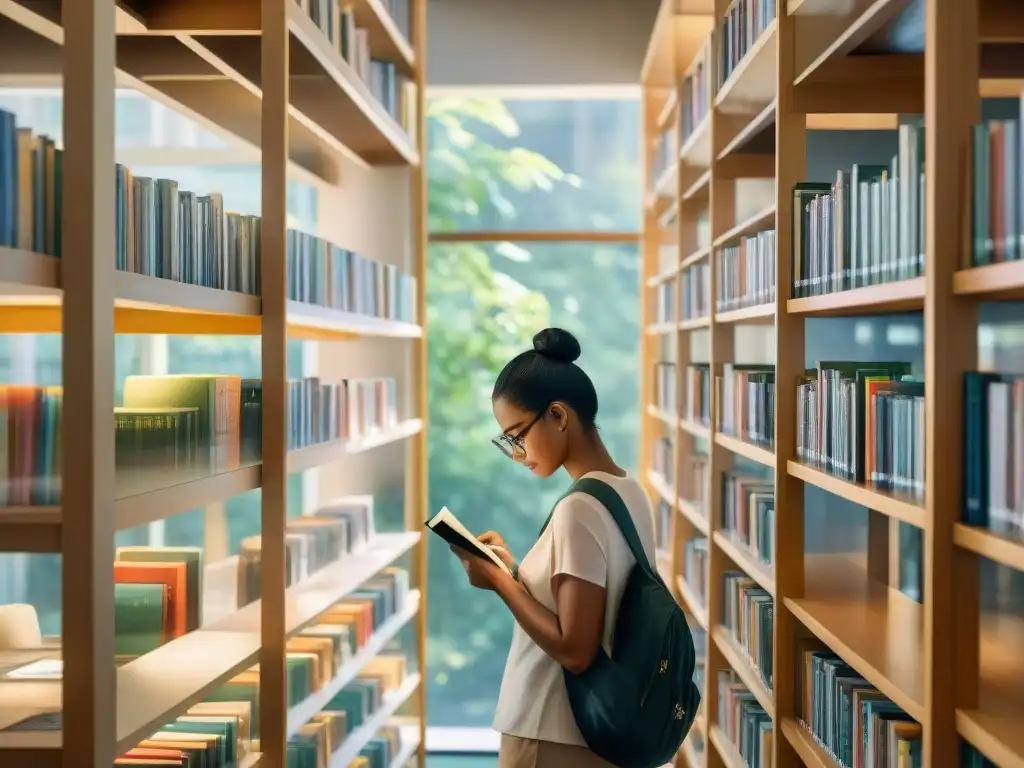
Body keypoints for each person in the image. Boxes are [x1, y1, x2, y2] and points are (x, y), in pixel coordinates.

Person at [451, 327, 659, 768]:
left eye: (517, 434)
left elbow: (575, 648)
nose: (516, 453)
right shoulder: (628, 491)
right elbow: (590, 607)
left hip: (550, 732)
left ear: (559, 416)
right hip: (595, 733)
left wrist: (497, 584)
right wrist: (513, 572)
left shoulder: (579, 509)